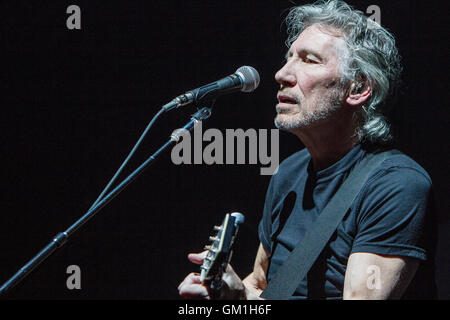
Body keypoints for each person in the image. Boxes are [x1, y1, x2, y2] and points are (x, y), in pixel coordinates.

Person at [178, 0, 436, 300]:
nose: (282, 74)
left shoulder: (397, 186)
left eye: (309, 60)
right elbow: (260, 284)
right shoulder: (289, 173)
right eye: (288, 58)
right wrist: (229, 297)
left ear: (358, 88)